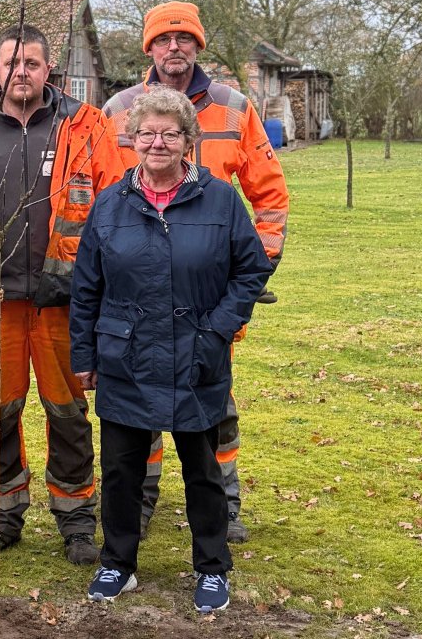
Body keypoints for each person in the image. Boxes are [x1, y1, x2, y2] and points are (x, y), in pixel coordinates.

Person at [70, 86, 272, 613]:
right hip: (126, 358)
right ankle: (117, 563)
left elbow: (251, 270)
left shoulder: (221, 200)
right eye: (147, 133)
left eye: (170, 133)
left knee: (203, 470)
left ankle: (211, 567)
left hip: (196, 354)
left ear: (188, 140)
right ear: (132, 139)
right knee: (120, 471)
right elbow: (86, 287)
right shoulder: (111, 203)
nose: (157, 143)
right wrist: (85, 358)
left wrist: (218, 330)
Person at [102, 1, 289, 543]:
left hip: (207, 296)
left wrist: (258, 268)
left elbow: (269, 196)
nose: (174, 47)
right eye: (164, 39)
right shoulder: (118, 109)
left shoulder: (233, 107)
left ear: (198, 46)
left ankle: (223, 500)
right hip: (137, 294)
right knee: (137, 397)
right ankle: (139, 500)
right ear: (149, 49)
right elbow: (104, 204)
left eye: (185, 38)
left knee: (213, 399)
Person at [0, 24, 124, 565]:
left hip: (63, 298)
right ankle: (1, 515)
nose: (21, 71)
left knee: (67, 413)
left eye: (32, 63)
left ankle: (75, 520)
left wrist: (104, 292)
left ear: (50, 70)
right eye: (11, 62)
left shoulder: (87, 125)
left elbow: (114, 208)